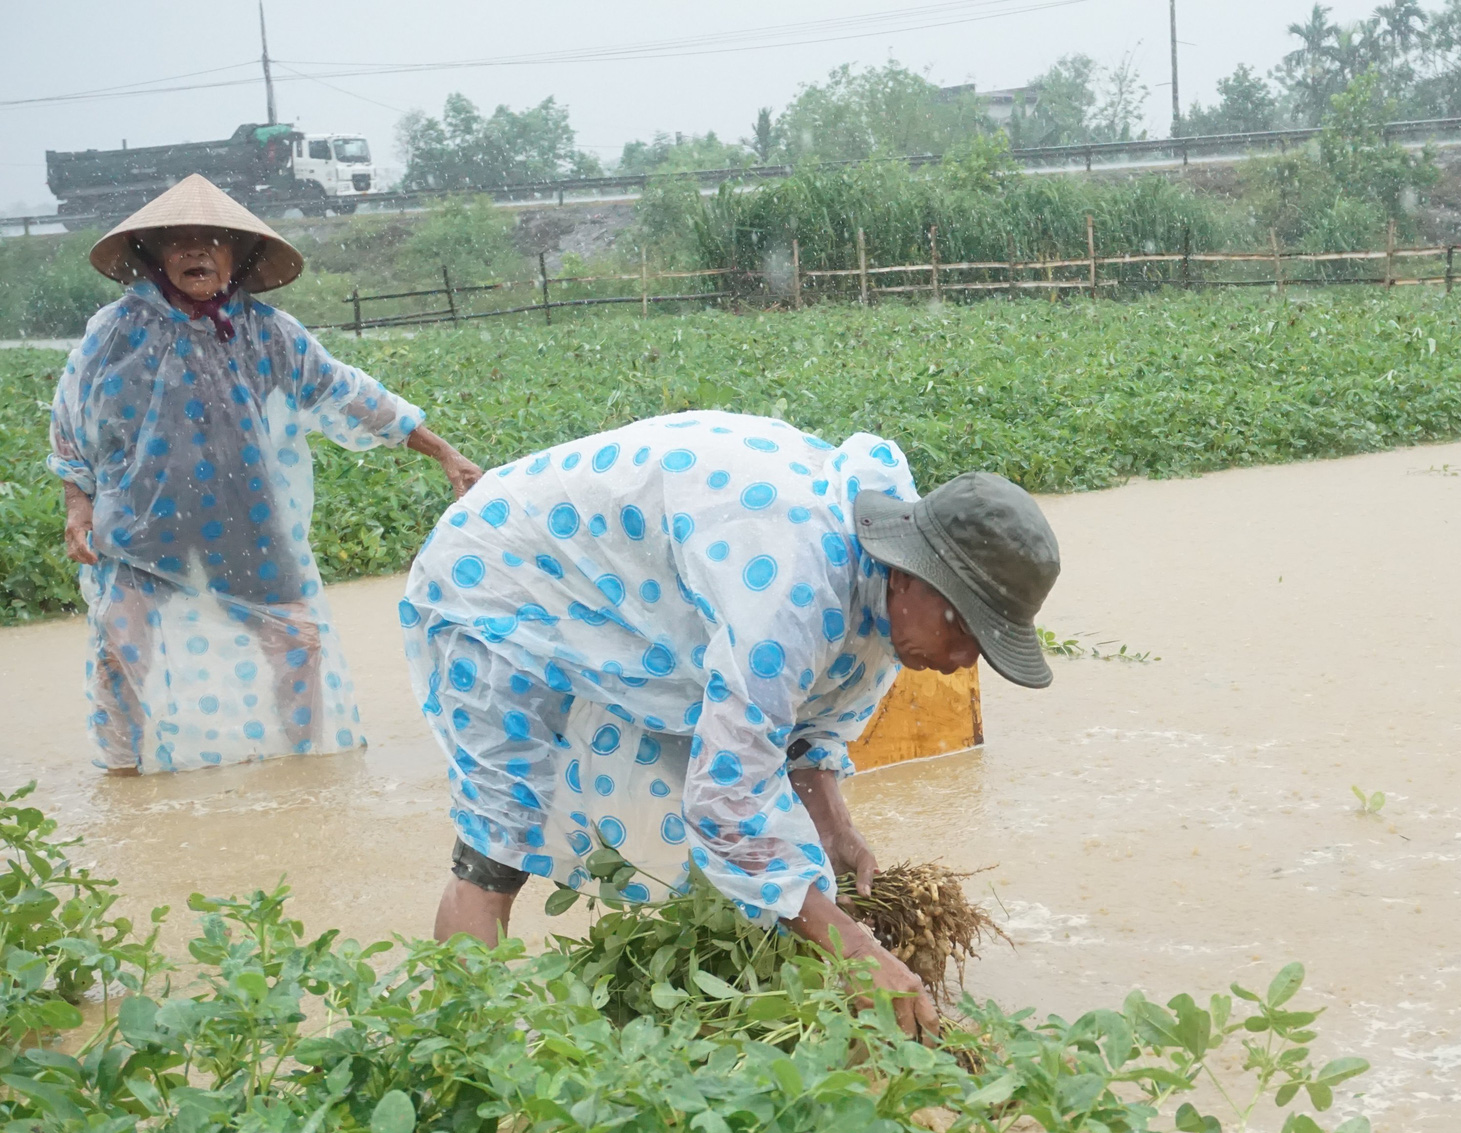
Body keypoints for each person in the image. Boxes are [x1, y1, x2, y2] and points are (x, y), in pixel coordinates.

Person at [401, 410, 1060, 1036]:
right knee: (498, 847)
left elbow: (798, 730)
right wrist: (852, 945)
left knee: (748, 864)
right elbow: (727, 798)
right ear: (915, 579)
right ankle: (468, 1046)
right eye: (967, 630)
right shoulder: (793, 589)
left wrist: (836, 829)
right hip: (499, 576)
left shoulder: (880, 589)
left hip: (627, 603)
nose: (963, 661)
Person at [48, 174, 481, 775]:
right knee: (120, 652)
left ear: (238, 256)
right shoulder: (116, 331)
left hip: (246, 517)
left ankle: (308, 769)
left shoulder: (269, 333)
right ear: (154, 256)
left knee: (296, 640)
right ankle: (124, 780)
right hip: (143, 522)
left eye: (212, 242)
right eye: (179, 242)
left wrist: (442, 452)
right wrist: (78, 506)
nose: (195, 253)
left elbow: (350, 394)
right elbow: (73, 420)